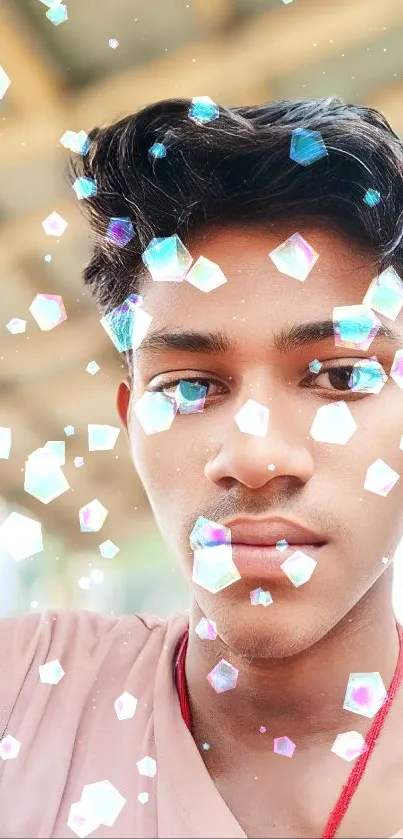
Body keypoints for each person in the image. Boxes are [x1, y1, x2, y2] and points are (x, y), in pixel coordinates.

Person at [1, 96, 403, 839]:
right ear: (129, 420)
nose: (253, 457)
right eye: (189, 386)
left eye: (342, 377)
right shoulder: (19, 693)